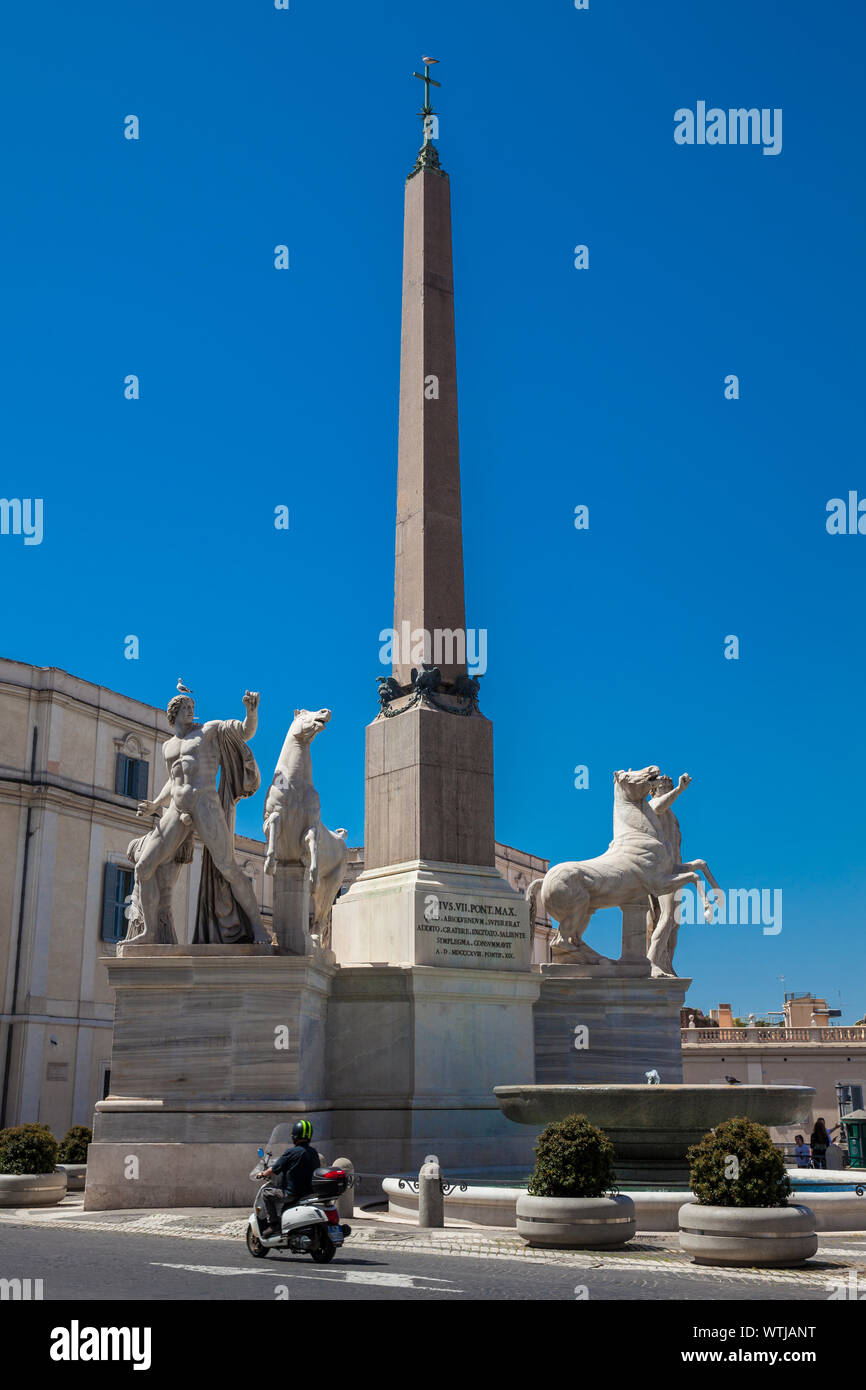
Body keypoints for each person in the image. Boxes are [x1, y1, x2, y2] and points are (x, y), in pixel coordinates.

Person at [257, 1120, 321, 1237]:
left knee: (266, 1193)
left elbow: (275, 1169)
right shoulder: (313, 1152)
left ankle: (273, 1225)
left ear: (295, 1136)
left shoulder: (292, 1152)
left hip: (292, 1193)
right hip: (309, 1193)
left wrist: (263, 1174)